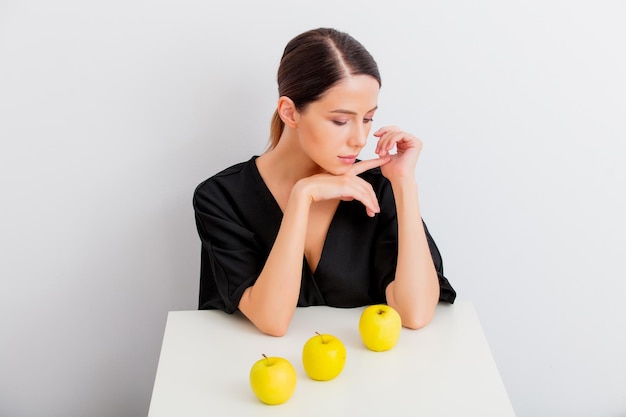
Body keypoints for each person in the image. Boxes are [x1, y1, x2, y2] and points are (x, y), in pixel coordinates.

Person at [193, 27, 456, 337]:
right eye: (340, 121)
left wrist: (404, 184)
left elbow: (415, 313)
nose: (359, 139)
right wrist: (302, 197)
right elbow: (272, 320)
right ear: (290, 112)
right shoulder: (221, 197)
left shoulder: (379, 187)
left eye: (368, 118)